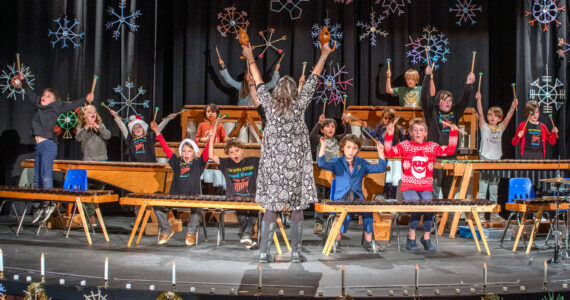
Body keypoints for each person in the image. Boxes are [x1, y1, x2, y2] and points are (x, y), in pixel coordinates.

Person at [242, 40, 330, 263]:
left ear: (278, 90)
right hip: (295, 171)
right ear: (293, 92)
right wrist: (324, 54)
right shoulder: (299, 105)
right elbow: (313, 79)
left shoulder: (269, 106)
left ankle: (263, 253)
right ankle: (297, 253)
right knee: (297, 207)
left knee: (271, 208)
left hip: (273, 170)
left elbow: (259, 80)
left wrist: (250, 56)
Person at [18, 72, 93, 223]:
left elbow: (71, 105)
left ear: (54, 100)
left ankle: (48, 202)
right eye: (43, 95)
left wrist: (85, 99)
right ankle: (39, 204)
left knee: (45, 175)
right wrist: (23, 80)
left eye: (47, 95)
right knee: (38, 176)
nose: (43, 96)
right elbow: (30, 93)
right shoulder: (38, 106)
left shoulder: (56, 106)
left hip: (48, 146)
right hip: (39, 147)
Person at [384, 118, 458, 251]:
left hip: (426, 186)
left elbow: (449, 150)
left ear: (426, 133)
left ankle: (426, 237)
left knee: (429, 207)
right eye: (415, 130)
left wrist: (453, 134)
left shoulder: (431, 146)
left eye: (421, 130)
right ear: (411, 133)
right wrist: (389, 135)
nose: (418, 133)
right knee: (417, 205)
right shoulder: (405, 145)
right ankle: (411, 237)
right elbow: (388, 152)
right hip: (409, 186)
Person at [317, 134, 387, 250]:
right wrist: (323, 146)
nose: (351, 151)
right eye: (348, 147)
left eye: (354, 148)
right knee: (343, 214)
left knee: (368, 212)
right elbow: (321, 163)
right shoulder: (337, 162)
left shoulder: (361, 162)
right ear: (343, 148)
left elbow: (380, 168)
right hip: (341, 197)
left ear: (358, 150)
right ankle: (336, 240)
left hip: (357, 197)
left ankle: (368, 241)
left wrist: (380, 151)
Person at [150, 121, 210, 245]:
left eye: (189, 151)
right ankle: (166, 230)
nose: (185, 154)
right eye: (183, 151)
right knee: (156, 203)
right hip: (175, 196)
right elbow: (165, 148)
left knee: (197, 206)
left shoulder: (198, 163)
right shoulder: (176, 162)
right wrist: (157, 132)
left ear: (194, 153)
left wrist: (212, 137)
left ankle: (191, 233)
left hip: (192, 197)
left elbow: (207, 151)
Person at [421, 65, 475, 199]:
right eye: (444, 100)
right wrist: (427, 77)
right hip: (435, 155)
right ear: (438, 102)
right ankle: (431, 217)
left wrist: (468, 85)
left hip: (451, 156)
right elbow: (424, 98)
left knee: (449, 190)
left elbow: (465, 100)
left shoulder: (455, 113)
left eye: (450, 100)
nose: (448, 102)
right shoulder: (432, 112)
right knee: (433, 189)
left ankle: (448, 218)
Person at [209, 122, 260, 249]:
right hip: (236, 197)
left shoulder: (253, 161)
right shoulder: (226, 163)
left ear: (242, 150)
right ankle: (246, 236)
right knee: (242, 216)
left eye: (237, 151)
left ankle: (246, 236)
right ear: (228, 154)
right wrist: (212, 134)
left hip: (252, 196)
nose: (235, 154)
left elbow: (269, 155)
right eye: (231, 152)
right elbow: (210, 155)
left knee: (255, 210)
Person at [475, 91, 517, 221]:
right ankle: (481, 214)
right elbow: (480, 113)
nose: (492, 118)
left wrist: (513, 106)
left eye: (495, 116)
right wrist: (479, 100)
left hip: (496, 160)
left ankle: (493, 214)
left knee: (494, 190)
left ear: (499, 118)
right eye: (490, 115)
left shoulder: (500, 128)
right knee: (483, 189)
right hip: (484, 159)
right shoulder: (484, 127)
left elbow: (509, 117)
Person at [309, 113, 351, 235]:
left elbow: (348, 134)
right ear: (322, 130)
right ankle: (319, 222)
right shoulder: (320, 139)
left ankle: (333, 221)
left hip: (333, 173)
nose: (331, 129)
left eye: (333, 126)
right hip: (321, 173)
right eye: (327, 126)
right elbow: (312, 136)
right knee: (320, 198)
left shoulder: (338, 140)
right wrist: (319, 123)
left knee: (333, 197)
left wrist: (347, 122)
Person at [75, 104, 112, 226]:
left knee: (98, 189)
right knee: (88, 189)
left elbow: (108, 135)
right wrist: (86, 127)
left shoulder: (100, 124)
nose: (93, 113)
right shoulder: (81, 126)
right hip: (88, 161)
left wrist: (98, 127)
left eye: (94, 111)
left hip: (102, 160)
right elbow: (78, 139)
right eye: (90, 111)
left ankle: (91, 211)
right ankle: (91, 216)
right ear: (84, 116)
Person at [361, 108, 405, 200]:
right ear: (382, 119)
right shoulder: (379, 128)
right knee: (385, 180)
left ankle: (393, 200)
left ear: (394, 119)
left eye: (390, 119)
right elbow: (369, 135)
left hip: (395, 158)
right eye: (385, 118)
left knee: (395, 181)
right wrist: (365, 128)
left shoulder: (398, 129)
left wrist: (406, 134)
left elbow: (404, 141)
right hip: (383, 157)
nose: (388, 121)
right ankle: (385, 199)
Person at [110, 111, 176, 162]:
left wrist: (168, 118)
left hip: (150, 168)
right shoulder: (130, 139)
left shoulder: (149, 138)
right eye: (134, 128)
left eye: (139, 127)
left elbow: (158, 128)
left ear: (143, 128)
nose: (137, 129)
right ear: (132, 131)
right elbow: (123, 128)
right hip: (135, 169)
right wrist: (115, 116)